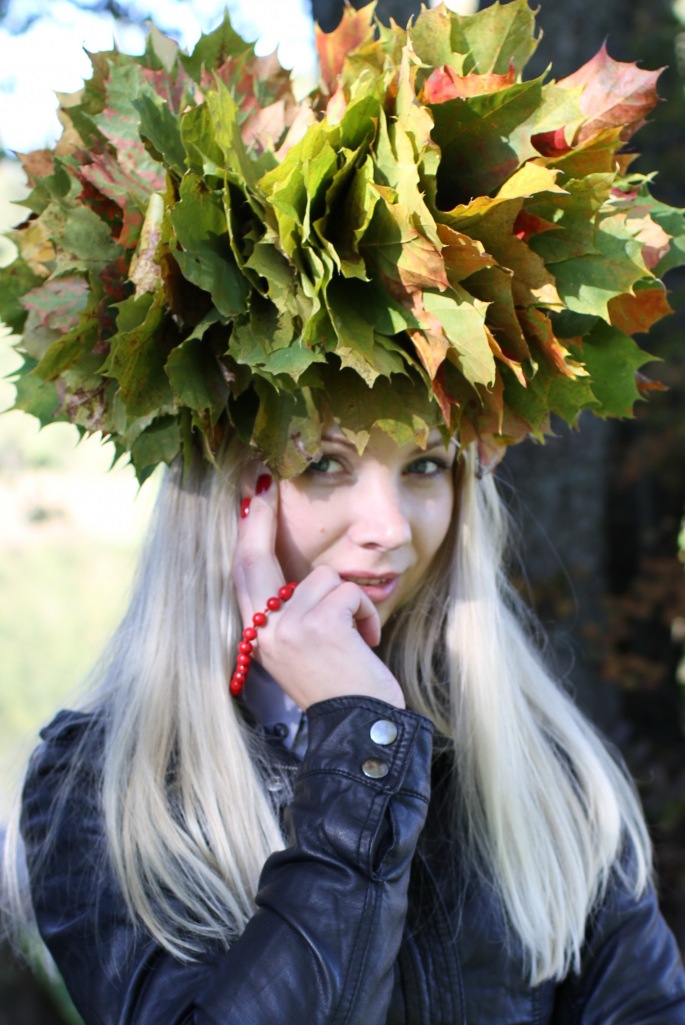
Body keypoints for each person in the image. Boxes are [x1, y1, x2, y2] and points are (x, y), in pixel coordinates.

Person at [2, 3, 685, 1023]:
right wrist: (361, 747)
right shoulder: (106, 785)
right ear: (225, 488)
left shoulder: (548, 772)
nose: (391, 527)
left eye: (426, 465)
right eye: (324, 462)